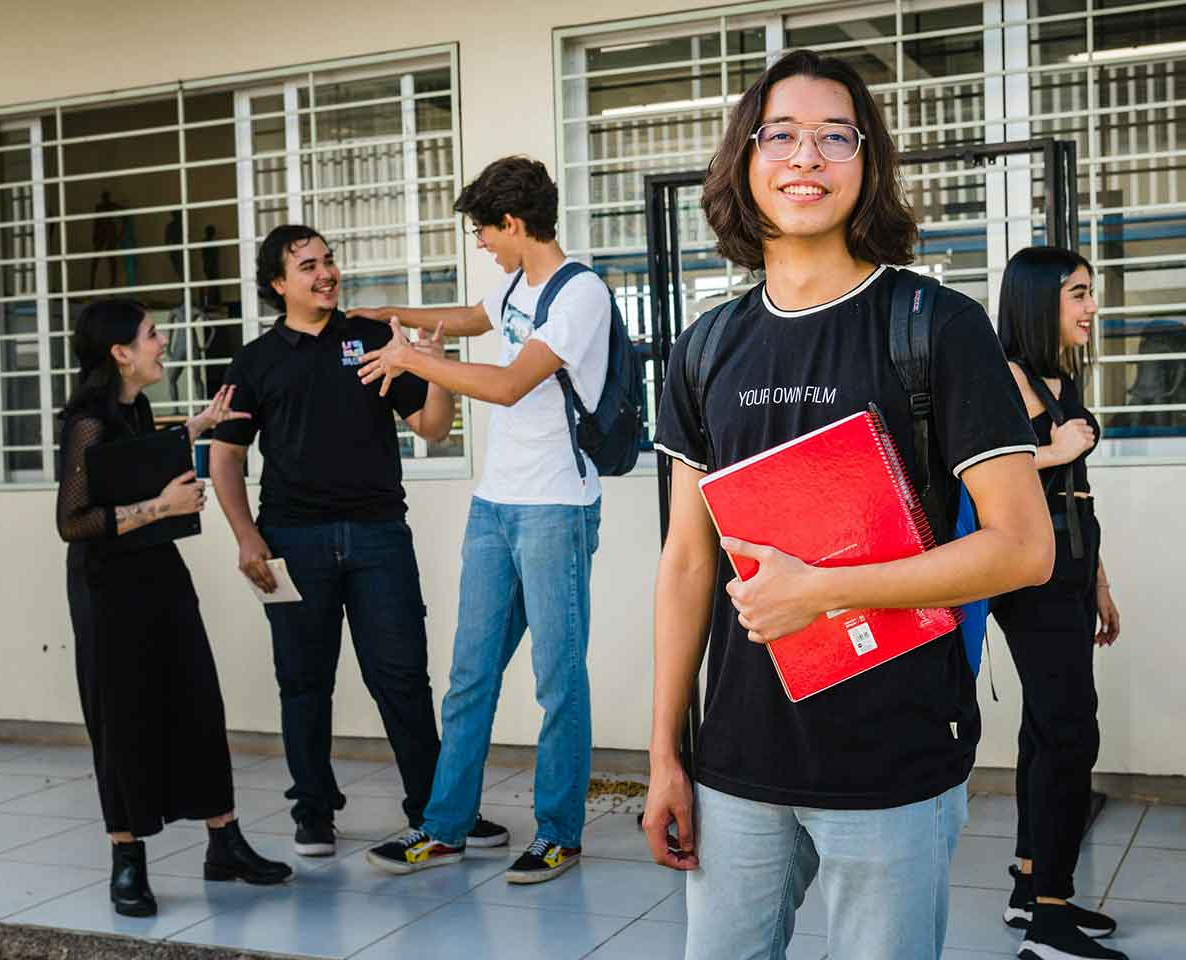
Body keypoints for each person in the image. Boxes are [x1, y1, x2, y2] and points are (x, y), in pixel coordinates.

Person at [643, 50, 1056, 960]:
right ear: (743, 161)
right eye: (781, 134)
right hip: (738, 761)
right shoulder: (707, 346)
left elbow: (1024, 549)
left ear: (867, 166)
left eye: (836, 137)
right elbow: (685, 560)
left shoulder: (934, 326)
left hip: (894, 758)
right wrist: (666, 752)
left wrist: (828, 591)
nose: (806, 158)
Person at [209, 225, 507, 858]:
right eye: (309, 265)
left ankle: (438, 811)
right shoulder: (255, 361)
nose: (326, 273)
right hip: (292, 540)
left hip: (378, 537)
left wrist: (437, 368)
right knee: (304, 681)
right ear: (278, 284)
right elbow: (226, 457)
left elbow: (430, 428)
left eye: (329, 260)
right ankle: (313, 812)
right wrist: (246, 538)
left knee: (402, 678)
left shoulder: (372, 339)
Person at [352, 156, 610, 884]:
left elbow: (505, 383)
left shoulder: (580, 292)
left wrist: (414, 362)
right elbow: (471, 319)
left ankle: (559, 832)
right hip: (495, 507)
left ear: (514, 223)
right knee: (470, 677)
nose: (481, 245)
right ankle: (444, 827)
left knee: (558, 680)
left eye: (483, 232)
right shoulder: (514, 283)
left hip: (557, 507)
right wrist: (387, 318)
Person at [56, 299, 292, 919]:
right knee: (122, 715)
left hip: (158, 574)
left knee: (195, 699)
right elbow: (72, 522)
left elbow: (131, 465)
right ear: (120, 352)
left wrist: (196, 426)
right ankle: (126, 859)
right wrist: (162, 507)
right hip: (107, 591)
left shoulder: (134, 406)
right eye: (152, 334)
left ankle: (225, 843)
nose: (164, 342)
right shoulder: (85, 419)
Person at [994, 247, 1126, 960]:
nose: (1090, 307)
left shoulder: (1058, 378)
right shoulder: (1006, 380)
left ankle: (1030, 888)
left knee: (1045, 731)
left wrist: (1100, 584)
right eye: (1078, 293)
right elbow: (985, 477)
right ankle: (1050, 922)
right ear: (1041, 300)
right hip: (1034, 576)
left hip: (1074, 570)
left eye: (1090, 293)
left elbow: (1076, 500)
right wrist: (1053, 449)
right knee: (1072, 733)